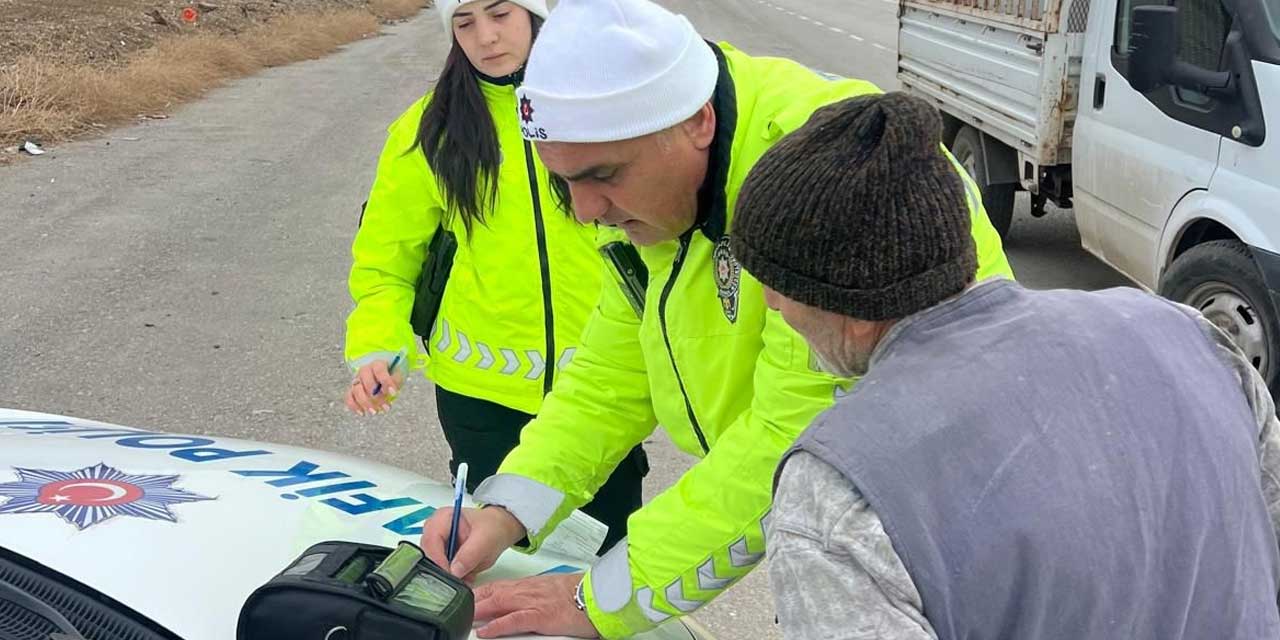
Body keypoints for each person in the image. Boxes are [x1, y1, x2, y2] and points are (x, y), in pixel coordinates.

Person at [415, 1, 1015, 638]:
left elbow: (795, 438)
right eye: (564, 181)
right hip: (837, 520)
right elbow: (614, 371)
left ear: (698, 121)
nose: (586, 210)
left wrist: (598, 600)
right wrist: (507, 509)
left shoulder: (819, 186)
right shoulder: (643, 180)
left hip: (939, 534)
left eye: (602, 176)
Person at [729, 92, 1280, 639]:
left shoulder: (838, 493)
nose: (772, 306)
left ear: (842, 299)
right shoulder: (1195, 339)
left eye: (778, 286)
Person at [342, 0, 646, 552]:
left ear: (534, 14)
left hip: (602, 384)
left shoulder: (598, 106)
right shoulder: (429, 130)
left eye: (500, 14)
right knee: (498, 553)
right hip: (480, 394)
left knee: (609, 551)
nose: (486, 36)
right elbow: (386, 259)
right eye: (464, 23)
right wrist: (377, 347)